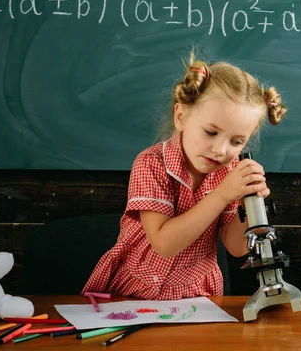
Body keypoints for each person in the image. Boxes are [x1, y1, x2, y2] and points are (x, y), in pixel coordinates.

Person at [82, 53, 287, 300]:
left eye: (236, 142)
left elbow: (237, 247)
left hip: (197, 294)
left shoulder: (230, 173)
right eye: (211, 132)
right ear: (181, 116)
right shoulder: (151, 163)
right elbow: (164, 244)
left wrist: (247, 205)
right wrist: (223, 195)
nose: (221, 150)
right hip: (135, 292)